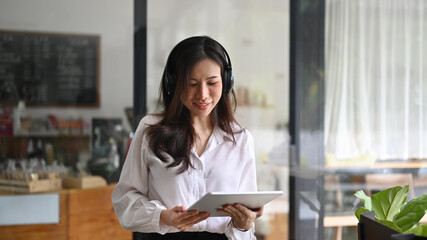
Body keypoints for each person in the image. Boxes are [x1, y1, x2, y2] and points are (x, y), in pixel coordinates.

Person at [112, 36, 263, 240]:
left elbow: (244, 229)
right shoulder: (150, 129)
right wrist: (163, 217)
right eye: (192, 84)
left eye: (212, 83)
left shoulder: (241, 139)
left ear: (226, 82)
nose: (202, 94)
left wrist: (244, 225)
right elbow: (125, 200)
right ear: (173, 84)